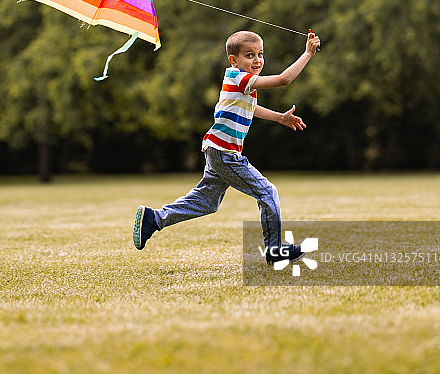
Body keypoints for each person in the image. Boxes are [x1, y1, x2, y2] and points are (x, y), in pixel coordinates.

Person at [133, 29, 321, 265]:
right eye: (249, 55)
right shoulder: (239, 78)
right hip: (224, 154)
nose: (257, 60)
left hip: (218, 151)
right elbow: (283, 79)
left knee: (207, 202)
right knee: (267, 192)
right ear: (234, 60)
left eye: (260, 54)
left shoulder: (240, 83)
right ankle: (275, 250)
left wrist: (279, 118)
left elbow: (250, 107)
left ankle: (155, 218)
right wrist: (307, 54)